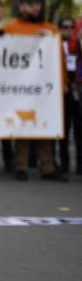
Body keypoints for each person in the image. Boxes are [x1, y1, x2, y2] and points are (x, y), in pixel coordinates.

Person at [4, 0, 68, 181]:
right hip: (21, 86)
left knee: (45, 124)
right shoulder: (12, 28)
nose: (34, 9)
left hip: (45, 88)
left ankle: (47, 167)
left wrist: (63, 81)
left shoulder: (50, 29)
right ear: (22, 6)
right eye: (30, 5)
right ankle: (20, 166)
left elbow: (60, 60)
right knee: (22, 124)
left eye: (38, 5)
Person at [58, 17, 80, 176]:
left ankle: (80, 165)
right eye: (65, 27)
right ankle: (63, 165)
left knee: (79, 131)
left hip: (76, 90)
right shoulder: (54, 44)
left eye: (71, 28)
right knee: (63, 131)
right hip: (61, 92)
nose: (68, 30)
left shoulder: (77, 45)